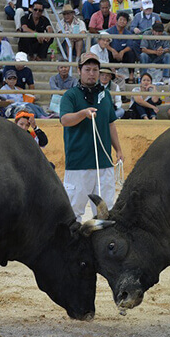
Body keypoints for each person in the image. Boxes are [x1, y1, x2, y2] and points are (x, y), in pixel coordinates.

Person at [59, 52, 125, 220]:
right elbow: (65, 120)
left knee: (105, 210)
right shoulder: (71, 95)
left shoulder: (105, 95)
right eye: (87, 69)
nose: (91, 73)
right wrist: (82, 113)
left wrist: (118, 149)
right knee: (74, 211)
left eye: (95, 70)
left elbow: (110, 124)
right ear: (79, 71)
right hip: (78, 164)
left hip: (104, 163)